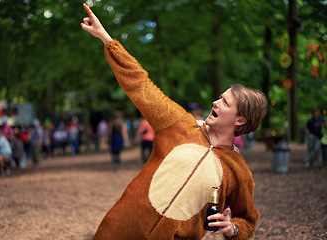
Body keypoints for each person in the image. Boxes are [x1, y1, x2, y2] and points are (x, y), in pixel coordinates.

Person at [81, 11, 267, 239]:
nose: (215, 102)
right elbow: (141, 85)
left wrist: (233, 229)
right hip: (122, 229)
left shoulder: (237, 171)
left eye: (225, 102)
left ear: (240, 120)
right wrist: (105, 38)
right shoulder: (178, 123)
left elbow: (248, 219)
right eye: (219, 97)